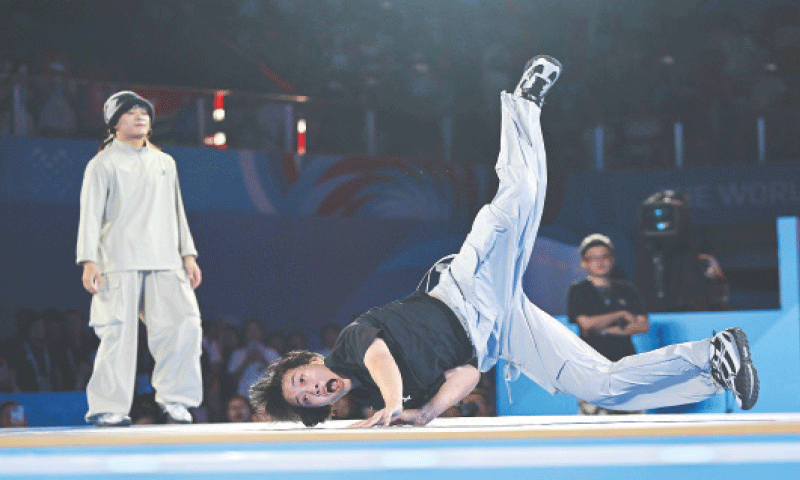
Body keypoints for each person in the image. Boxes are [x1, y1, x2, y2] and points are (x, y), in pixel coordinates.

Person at [249, 55, 759, 428]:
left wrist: (395, 403)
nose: (314, 390)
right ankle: (714, 359)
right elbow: (467, 373)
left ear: (306, 363)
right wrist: (426, 411)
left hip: (468, 289)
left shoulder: (350, 347)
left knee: (518, 196)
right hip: (499, 335)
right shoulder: (385, 404)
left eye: (302, 383)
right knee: (603, 386)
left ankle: (523, 102)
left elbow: (381, 357)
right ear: (324, 408)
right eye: (309, 401)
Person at [76, 91, 203, 427]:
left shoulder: (165, 162)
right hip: (118, 259)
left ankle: (176, 399)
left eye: (144, 112)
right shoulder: (102, 163)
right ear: (114, 122)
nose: (139, 117)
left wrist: (188, 255)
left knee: (185, 325)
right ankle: (109, 406)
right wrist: (89, 260)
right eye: (130, 112)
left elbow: (177, 212)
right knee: (116, 334)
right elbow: (90, 215)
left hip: (167, 258)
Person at [568, 234, 649, 415]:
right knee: (592, 426)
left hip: (626, 365)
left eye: (604, 257)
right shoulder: (578, 290)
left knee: (633, 421)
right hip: (591, 368)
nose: (600, 262)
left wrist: (603, 329)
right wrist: (620, 314)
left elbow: (642, 325)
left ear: (612, 260)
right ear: (584, 263)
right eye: (593, 258)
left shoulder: (627, 290)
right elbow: (586, 324)